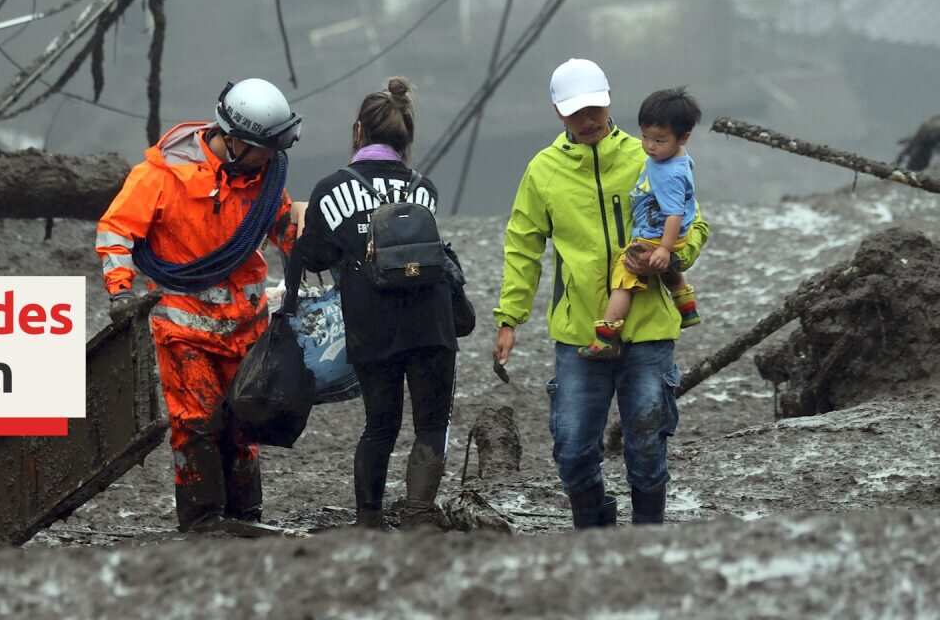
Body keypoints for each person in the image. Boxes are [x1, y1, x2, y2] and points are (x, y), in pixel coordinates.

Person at [492, 59, 710, 528]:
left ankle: (647, 536)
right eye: (575, 112)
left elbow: (695, 219)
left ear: (608, 100)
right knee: (571, 449)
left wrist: (674, 256)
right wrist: (510, 318)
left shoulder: (649, 155)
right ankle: (596, 530)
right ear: (557, 111)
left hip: (649, 329)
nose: (587, 120)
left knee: (647, 442)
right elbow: (522, 246)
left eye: (593, 108)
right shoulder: (543, 172)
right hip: (580, 334)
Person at [95, 78, 301, 533]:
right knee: (197, 422)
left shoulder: (262, 179)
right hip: (184, 330)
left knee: (243, 423)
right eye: (264, 149)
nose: (271, 159)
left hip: (245, 328)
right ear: (232, 141)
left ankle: (245, 518)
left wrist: (323, 244)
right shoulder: (161, 176)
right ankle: (203, 522)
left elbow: (284, 228)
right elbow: (115, 230)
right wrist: (120, 291)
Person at [293, 77, 458, 530]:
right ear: (406, 136)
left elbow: (317, 257)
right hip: (432, 323)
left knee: (379, 424)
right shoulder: (425, 188)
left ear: (358, 132)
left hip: (373, 325)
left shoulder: (332, 188)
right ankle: (420, 514)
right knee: (430, 421)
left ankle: (369, 519)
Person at [579, 88, 703, 360]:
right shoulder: (678, 158)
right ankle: (686, 304)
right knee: (665, 271)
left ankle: (606, 336)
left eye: (659, 140)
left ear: (683, 137)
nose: (649, 146)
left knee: (625, 277)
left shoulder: (668, 173)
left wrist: (663, 249)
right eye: (645, 136)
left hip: (656, 234)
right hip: (671, 233)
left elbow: (673, 213)